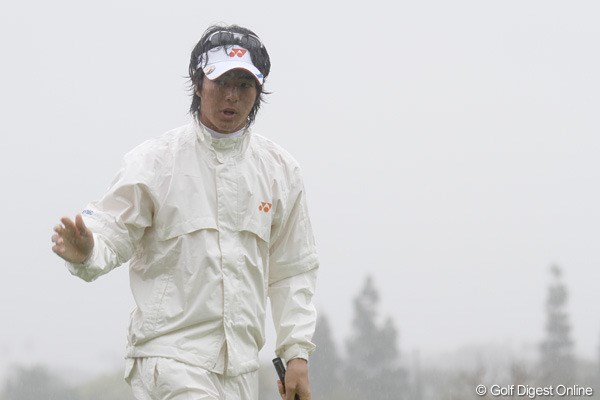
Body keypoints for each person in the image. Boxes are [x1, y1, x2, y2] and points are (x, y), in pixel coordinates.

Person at [51, 24, 319, 400]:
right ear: (197, 84)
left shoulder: (280, 171)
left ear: (258, 92)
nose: (231, 96)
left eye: (244, 85)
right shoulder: (156, 161)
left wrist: (296, 354)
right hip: (169, 359)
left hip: (241, 370)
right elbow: (110, 228)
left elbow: (293, 271)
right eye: (220, 82)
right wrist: (87, 251)